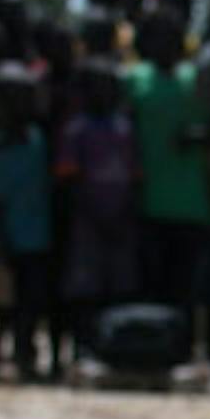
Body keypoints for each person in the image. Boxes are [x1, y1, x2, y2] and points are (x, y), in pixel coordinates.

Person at [123, 8, 210, 357]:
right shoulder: (134, 79)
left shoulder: (195, 80)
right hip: (145, 200)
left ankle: (184, 351)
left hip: (191, 202)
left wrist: (200, 136)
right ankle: (147, 352)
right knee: (148, 282)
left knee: (187, 286)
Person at [56, 58, 141, 349]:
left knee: (118, 286)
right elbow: (69, 181)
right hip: (87, 223)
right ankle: (83, 348)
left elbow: (134, 177)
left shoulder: (125, 128)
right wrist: (92, 214)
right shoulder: (76, 130)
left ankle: (114, 349)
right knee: (84, 289)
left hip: (121, 220)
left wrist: (122, 213)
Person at [0, 62, 54, 378]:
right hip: (7, 240)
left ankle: (26, 357)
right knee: (2, 305)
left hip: (39, 237)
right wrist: (0, 243)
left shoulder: (39, 139)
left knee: (32, 303)